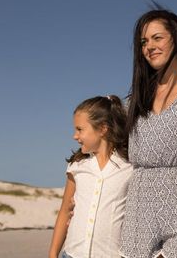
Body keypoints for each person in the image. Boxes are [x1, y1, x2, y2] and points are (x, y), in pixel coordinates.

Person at [120, 8, 177, 258]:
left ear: (176, 39)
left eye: (157, 38)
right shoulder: (133, 101)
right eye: (144, 42)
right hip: (139, 206)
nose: (149, 46)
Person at [49, 95, 133, 258]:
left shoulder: (129, 167)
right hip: (72, 254)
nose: (75, 136)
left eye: (80, 129)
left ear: (102, 129)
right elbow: (65, 210)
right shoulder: (77, 166)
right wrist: (53, 254)